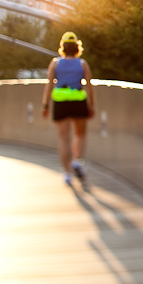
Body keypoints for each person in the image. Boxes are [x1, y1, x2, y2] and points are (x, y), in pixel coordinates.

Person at [42, 32, 95, 185]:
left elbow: (49, 85)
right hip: (78, 101)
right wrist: (91, 105)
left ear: (63, 47)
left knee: (64, 139)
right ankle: (77, 161)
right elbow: (89, 86)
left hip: (60, 102)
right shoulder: (82, 64)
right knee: (80, 134)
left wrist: (45, 105)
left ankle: (67, 173)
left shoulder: (55, 64)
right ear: (77, 47)